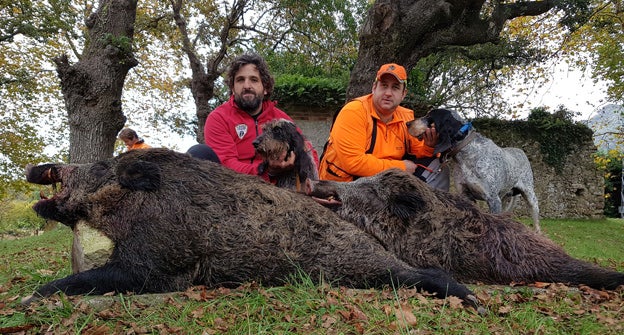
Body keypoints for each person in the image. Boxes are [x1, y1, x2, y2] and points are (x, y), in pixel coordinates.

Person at [318, 63, 449, 190]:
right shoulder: (354, 111)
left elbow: (417, 152)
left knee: (438, 166)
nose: (388, 93)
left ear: (403, 94)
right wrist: (401, 168)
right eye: (384, 86)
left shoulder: (406, 117)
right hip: (346, 185)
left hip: (385, 181)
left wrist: (428, 146)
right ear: (374, 88)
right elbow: (353, 163)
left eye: (395, 87)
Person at [204, 53, 318, 183]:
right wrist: (266, 172)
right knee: (199, 153)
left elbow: (307, 150)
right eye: (240, 80)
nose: (247, 85)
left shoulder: (280, 118)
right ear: (233, 88)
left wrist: (310, 183)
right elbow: (226, 164)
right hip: (233, 186)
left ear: (265, 88)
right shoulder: (218, 118)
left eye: (254, 80)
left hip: (279, 187)